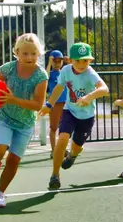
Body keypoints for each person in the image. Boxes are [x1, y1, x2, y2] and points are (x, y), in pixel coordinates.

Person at [0, 33, 49, 208]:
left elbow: (37, 105)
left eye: (33, 53)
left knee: (14, 160)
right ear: (16, 52)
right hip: (5, 117)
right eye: (25, 53)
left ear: (39, 54)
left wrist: (14, 99)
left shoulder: (41, 76)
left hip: (25, 123)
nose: (29, 57)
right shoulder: (8, 68)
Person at [46, 42, 110, 191]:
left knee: (76, 147)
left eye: (85, 60)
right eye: (78, 60)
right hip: (70, 111)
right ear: (70, 60)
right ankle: (55, 176)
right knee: (62, 138)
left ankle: (72, 155)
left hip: (87, 117)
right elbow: (59, 87)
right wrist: (49, 105)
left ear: (90, 61)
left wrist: (89, 96)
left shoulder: (90, 73)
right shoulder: (66, 71)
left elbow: (104, 89)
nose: (81, 64)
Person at [39, 49, 67, 158]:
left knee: (64, 128)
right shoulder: (50, 74)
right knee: (54, 128)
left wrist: (68, 61)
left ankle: (62, 149)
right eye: (55, 61)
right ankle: (53, 150)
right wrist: (49, 64)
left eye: (59, 61)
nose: (57, 63)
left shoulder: (64, 72)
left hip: (65, 103)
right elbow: (44, 77)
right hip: (54, 104)